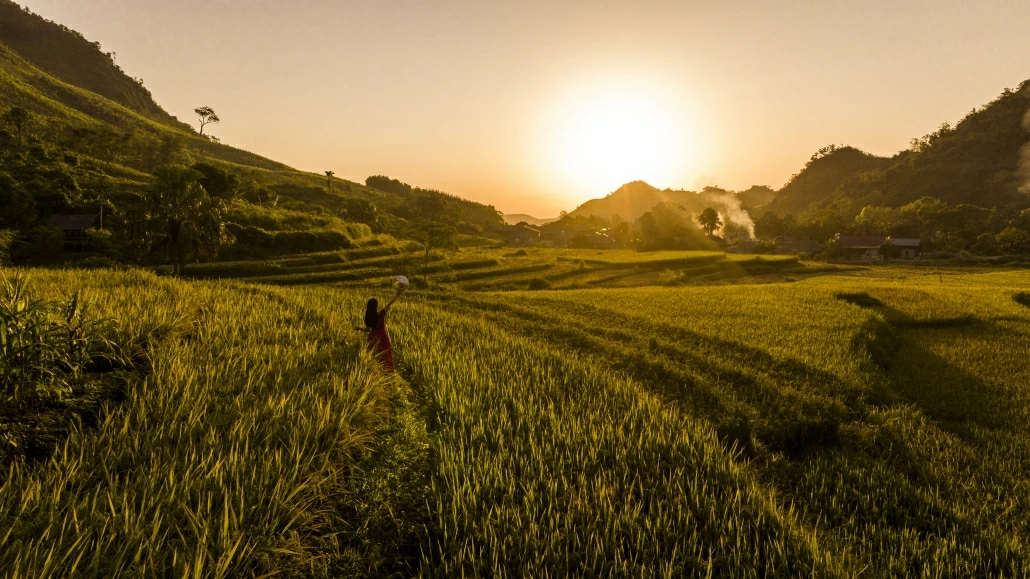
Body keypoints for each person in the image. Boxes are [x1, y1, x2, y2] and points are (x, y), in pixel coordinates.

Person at [355, 286, 404, 372]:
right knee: (385, 357)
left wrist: (359, 328)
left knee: (375, 357)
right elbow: (389, 304)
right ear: (376, 306)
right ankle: (387, 373)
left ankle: (376, 372)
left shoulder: (368, 316)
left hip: (372, 338)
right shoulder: (381, 314)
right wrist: (397, 295)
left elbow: (367, 330)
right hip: (382, 338)